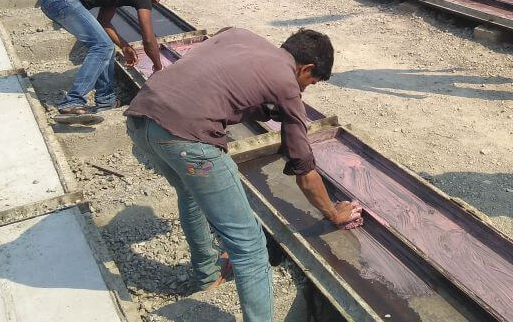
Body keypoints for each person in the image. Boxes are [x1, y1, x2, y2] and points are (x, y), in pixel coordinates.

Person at [124, 28, 363, 322]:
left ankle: (208, 273)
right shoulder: (287, 84)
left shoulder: (241, 36)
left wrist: (262, 108)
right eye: (309, 82)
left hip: (142, 119)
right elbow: (304, 169)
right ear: (306, 68)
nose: (304, 90)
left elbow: (222, 80)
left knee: (189, 192)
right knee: (250, 247)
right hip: (186, 140)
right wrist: (333, 214)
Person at [37, 0, 176, 123]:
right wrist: (158, 67)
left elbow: (104, 22)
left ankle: (106, 100)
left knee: (106, 46)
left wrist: (124, 46)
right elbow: (148, 39)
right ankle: (72, 101)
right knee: (103, 46)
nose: (157, 1)